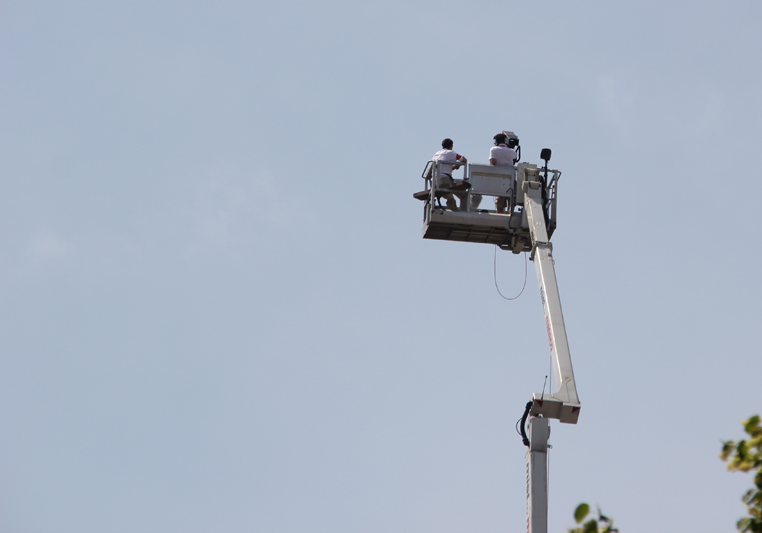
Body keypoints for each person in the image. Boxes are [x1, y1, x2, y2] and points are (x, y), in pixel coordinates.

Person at [431, 138, 468, 210]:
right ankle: (462, 213)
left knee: (450, 198)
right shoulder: (451, 153)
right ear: (451, 146)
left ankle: (453, 212)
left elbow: (441, 168)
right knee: (464, 195)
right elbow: (464, 160)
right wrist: (458, 165)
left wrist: (453, 167)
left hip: (434, 181)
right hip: (444, 180)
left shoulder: (436, 154)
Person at [489, 133, 517, 213]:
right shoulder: (512, 151)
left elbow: (493, 162)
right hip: (511, 180)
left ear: (496, 142)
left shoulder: (493, 149)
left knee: (500, 204)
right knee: (512, 201)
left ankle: (500, 217)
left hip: (500, 180)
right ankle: (510, 214)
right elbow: (514, 158)